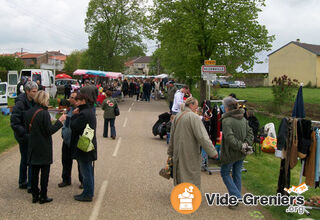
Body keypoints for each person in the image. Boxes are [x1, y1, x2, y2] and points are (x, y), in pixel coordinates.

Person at [25, 91, 66, 204]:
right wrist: (60, 121)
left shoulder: (29, 112)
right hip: (43, 146)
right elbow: (49, 131)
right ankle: (43, 195)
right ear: (44, 100)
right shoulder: (44, 113)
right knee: (44, 173)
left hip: (33, 145)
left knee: (33, 172)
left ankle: (34, 195)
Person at [168, 97, 218, 189]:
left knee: (180, 172)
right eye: (196, 105)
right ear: (191, 105)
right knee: (191, 174)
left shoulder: (178, 116)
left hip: (178, 151)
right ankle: (191, 195)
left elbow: (172, 136)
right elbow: (202, 137)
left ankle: (180, 192)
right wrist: (213, 152)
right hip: (190, 151)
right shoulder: (194, 117)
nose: (197, 107)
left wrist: (170, 152)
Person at [220, 96, 254, 208]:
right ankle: (235, 201)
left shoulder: (226, 121)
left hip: (231, 153)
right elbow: (250, 134)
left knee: (225, 173)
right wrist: (245, 145)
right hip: (241, 153)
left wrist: (241, 146)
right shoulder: (243, 119)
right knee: (236, 174)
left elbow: (230, 139)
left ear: (227, 108)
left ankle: (236, 196)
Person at [10, 81, 38, 192]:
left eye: (36, 91)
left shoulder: (34, 101)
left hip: (30, 134)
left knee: (28, 158)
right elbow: (14, 122)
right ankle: (26, 182)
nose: (36, 93)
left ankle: (26, 182)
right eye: (33, 92)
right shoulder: (20, 103)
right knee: (27, 158)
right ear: (27, 91)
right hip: (23, 135)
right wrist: (24, 134)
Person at [70, 93, 97, 202]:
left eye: (77, 100)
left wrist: (74, 116)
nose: (76, 102)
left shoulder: (83, 113)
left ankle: (87, 194)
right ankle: (88, 192)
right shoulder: (90, 111)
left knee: (86, 170)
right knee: (88, 169)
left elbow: (74, 126)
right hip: (89, 142)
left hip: (84, 144)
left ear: (83, 101)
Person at [58, 92, 83, 188]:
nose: (70, 99)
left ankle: (83, 180)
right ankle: (66, 179)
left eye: (72, 98)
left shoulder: (80, 111)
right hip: (67, 140)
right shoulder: (69, 109)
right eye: (70, 97)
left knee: (80, 162)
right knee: (65, 160)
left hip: (76, 140)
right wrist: (63, 134)